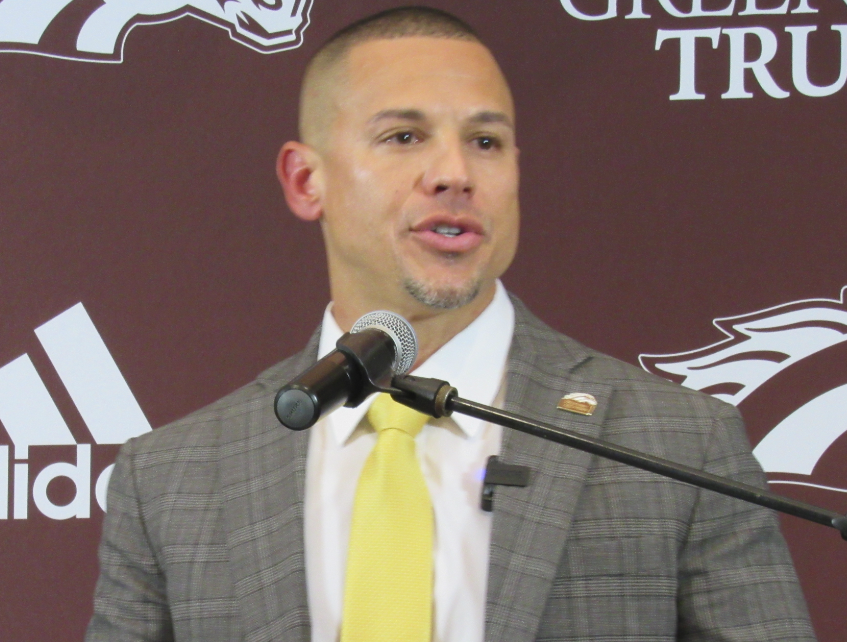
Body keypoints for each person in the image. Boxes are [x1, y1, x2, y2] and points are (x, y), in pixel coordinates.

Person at [86, 6, 816, 642]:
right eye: (404, 137)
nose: (454, 173)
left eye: (485, 142)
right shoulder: (171, 478)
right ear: (307, 180)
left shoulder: (678, 446)